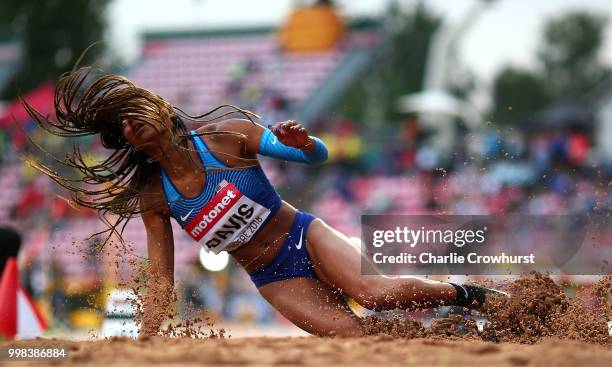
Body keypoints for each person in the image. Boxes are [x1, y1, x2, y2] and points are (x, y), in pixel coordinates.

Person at [24, 66, 506, 337]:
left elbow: (315, 155)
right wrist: (147, 339)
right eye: (123, 125)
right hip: (272, 277)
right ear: (126, 141)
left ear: (159, 109)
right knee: (357, 338)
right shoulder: (155, 195)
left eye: (135, 113)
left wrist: (303, 142)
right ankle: (451, 334)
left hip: (304, 235)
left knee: (376, 295)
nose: (132, 124)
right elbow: (162, 279)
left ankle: (469, 295)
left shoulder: (226, 136)